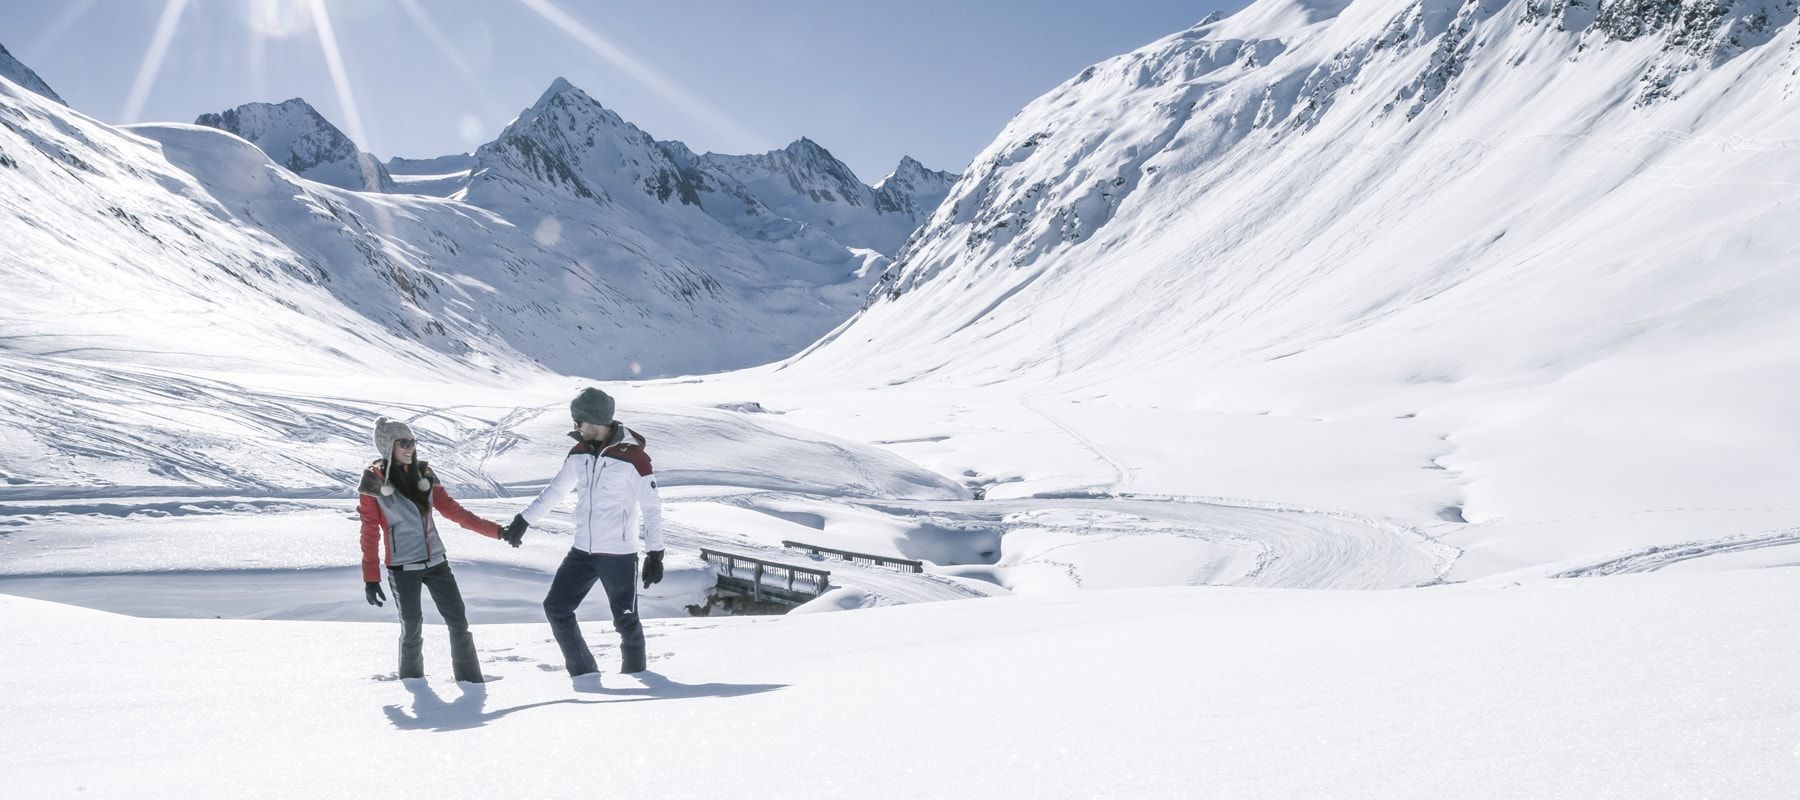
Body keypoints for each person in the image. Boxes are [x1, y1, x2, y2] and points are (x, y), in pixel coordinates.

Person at [501, 387, 665, 677]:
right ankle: (584, 674)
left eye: (579, 421)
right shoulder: (579, 453)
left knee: (626, 621)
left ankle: (636, 678)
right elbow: (555, 491)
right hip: (582, 551)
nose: (575, 427)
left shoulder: (635, 458)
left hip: (617, 553)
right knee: (556, 607)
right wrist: (524, 520)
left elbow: (651, 508)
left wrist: (655, 553)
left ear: (597, 420)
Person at [357, 416, 511, 683]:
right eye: (403, 442)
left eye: (412, 442)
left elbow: (457, 513)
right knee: (412, 628)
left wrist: (497, 531)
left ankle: (472, 681)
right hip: (403, 568)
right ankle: (413, 684)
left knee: (459, 623)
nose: (410, 448)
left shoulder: (425, 475)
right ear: (387, 447)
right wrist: (371, 578)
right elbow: (369, 533)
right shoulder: (374, 486)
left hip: (437, 563)